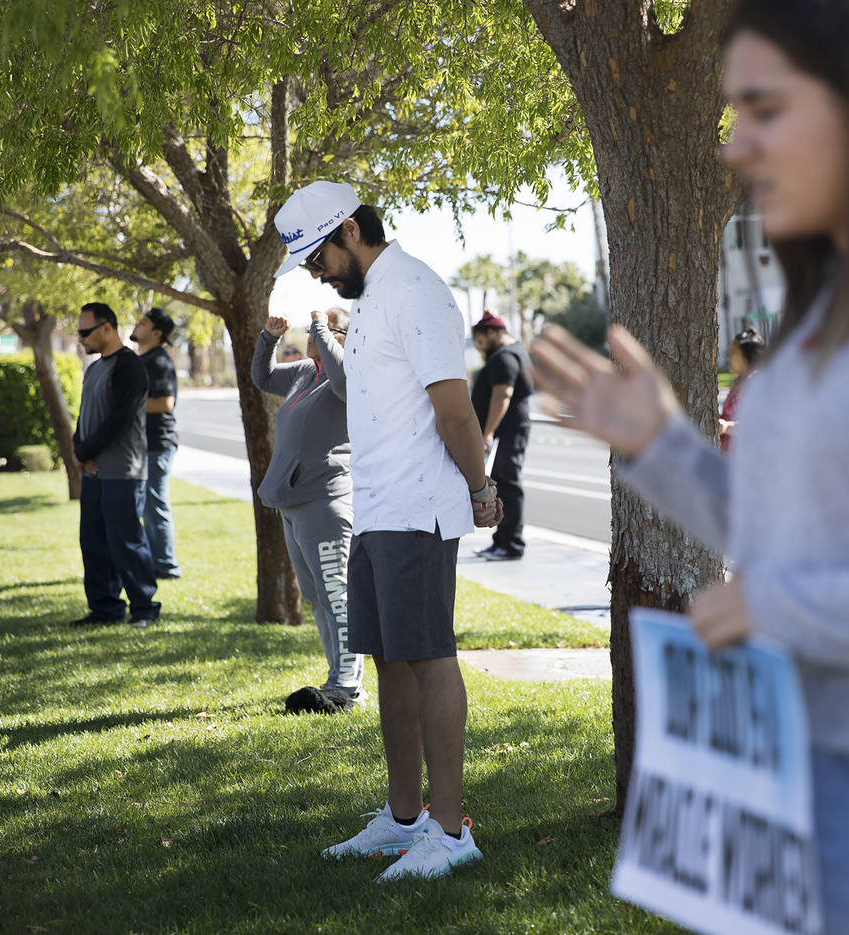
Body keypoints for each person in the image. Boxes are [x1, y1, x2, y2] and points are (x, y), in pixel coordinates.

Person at [531, 1, 849, 931]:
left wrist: (788, 607)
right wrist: (662, 446)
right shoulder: (825, 314)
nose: (735, 145)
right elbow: (793, 536)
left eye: (765, 108)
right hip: (801, 799)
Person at [274, 179, 501, 882]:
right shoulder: (368, 300)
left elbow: (454, 412)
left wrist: (481, 486)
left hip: (418, 509)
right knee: (389, 663)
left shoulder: (417, 290)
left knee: (430, 657)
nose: (314, 271)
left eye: (317, 256)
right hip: (375, 511)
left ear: (350, 230)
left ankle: (450, 830)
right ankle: (403, 820)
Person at [252, 305, 364, 709]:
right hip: (294, 503)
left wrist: (321, 328)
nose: (313, 336)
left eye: (326, 330)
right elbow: (261, 377)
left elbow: (344, 380)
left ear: (344, 338)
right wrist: (269, 339)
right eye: (312, 329)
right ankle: (339, 676)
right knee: (317, 597)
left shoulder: (351, 373)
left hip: (326, 500)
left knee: (337, 594)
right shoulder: (304, 372)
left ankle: (348, 684)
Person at [70, 301, 161, 629]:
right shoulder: (94, 368)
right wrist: (79, 449)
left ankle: (144, 608)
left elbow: (120, 420)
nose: (81, 338)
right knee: (93, 540)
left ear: (107, 328)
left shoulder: (130, 366)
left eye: (85, 331)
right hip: (94, 470)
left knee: (125, 541)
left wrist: (85, 453)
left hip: (123, 471)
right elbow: (85, 417)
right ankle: (105, 608)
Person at [470, 311, 534, 560]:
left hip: (506, 432)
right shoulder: (515, 352)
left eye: (481, 342)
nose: (480, 348)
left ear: (493, 333)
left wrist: (487, 433)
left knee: (508, 485)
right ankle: (501, 541)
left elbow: (502, 396)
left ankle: (511, 545)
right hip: (508, 430)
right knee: (502, 483)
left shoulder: (505, 357)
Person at [131, 307, 182, 580]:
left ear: (157, 332)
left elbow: (165, 402)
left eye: (144, 322)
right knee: (147, 505)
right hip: (143, 445)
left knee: (155, 504)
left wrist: (127, 406)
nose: (137, 324)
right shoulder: (145, 358)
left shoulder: (159, 360)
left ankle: (166, 566)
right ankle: (155, 561)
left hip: (157, 444)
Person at [718, 327, 765, 453]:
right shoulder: (739, 382)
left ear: (746, 356)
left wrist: (727, 427)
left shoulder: (754, 384)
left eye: (733, 353)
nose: (729, 358)